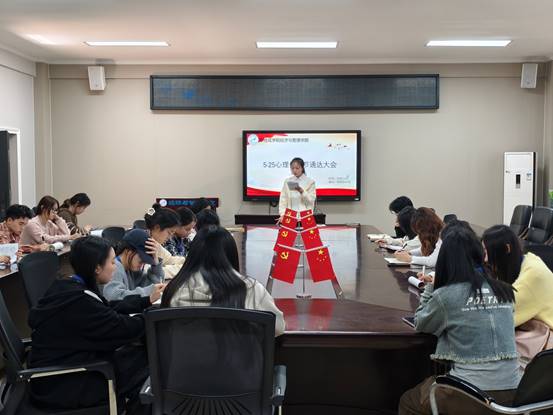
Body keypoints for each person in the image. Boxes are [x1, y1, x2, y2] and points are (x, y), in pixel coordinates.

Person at [399, 225, 519, 415]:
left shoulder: (447, 295)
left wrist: (431, 286)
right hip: (513, 393)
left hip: (472, 395)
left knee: (409, 401)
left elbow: (421, 322)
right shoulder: (504, 290)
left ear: (445, 260)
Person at [28, 236, 150, 414]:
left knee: (137, 356)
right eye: (112, 262)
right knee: (146, 366)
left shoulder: (69, 286)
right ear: (97, 268)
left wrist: (145, 301)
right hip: (63, 383)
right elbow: (120, 328)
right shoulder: (79, 302)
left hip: (64, 367)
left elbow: (106, 308)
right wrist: (151, 317)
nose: (115, 267)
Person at [162, 225, 285, 336]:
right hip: (238, 355)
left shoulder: (174, 289)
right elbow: (278, 327)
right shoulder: (252, 289)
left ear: (193, 254)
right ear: (231, 254)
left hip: (187, 355)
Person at [482, 225, 553, 365]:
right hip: (535, 328)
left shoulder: (532, 277)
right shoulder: (528, 260)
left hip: (546, 340)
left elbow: (500, 316)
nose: (485, 259)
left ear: (507, 249)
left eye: (487, 252)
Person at [102, 229, 165, 303]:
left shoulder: (130, 269)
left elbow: (154, 284)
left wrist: (155, 262)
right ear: (128, 251)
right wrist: (150, 290)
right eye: (141, 259)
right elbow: (114, 298)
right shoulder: (115, 268)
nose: (142, 264)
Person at [144, 204, 184, 278]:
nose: (170, 237)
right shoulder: (143, 242)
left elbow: (169, 259)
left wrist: (189, 260)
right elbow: (150, 273)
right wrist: (182, 268)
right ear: (157, 228)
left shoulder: (155, 243)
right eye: (169, 232)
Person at [278, 157, 316, 223]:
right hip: (290, 216)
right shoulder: (287, 181)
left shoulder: (310, 182)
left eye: (297, 168)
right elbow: (283, 200)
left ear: (302, 168)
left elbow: (311, 200)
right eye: (292, 168)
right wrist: (283, 214)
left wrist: (302, 191)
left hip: (305, 216)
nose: (294, 170)